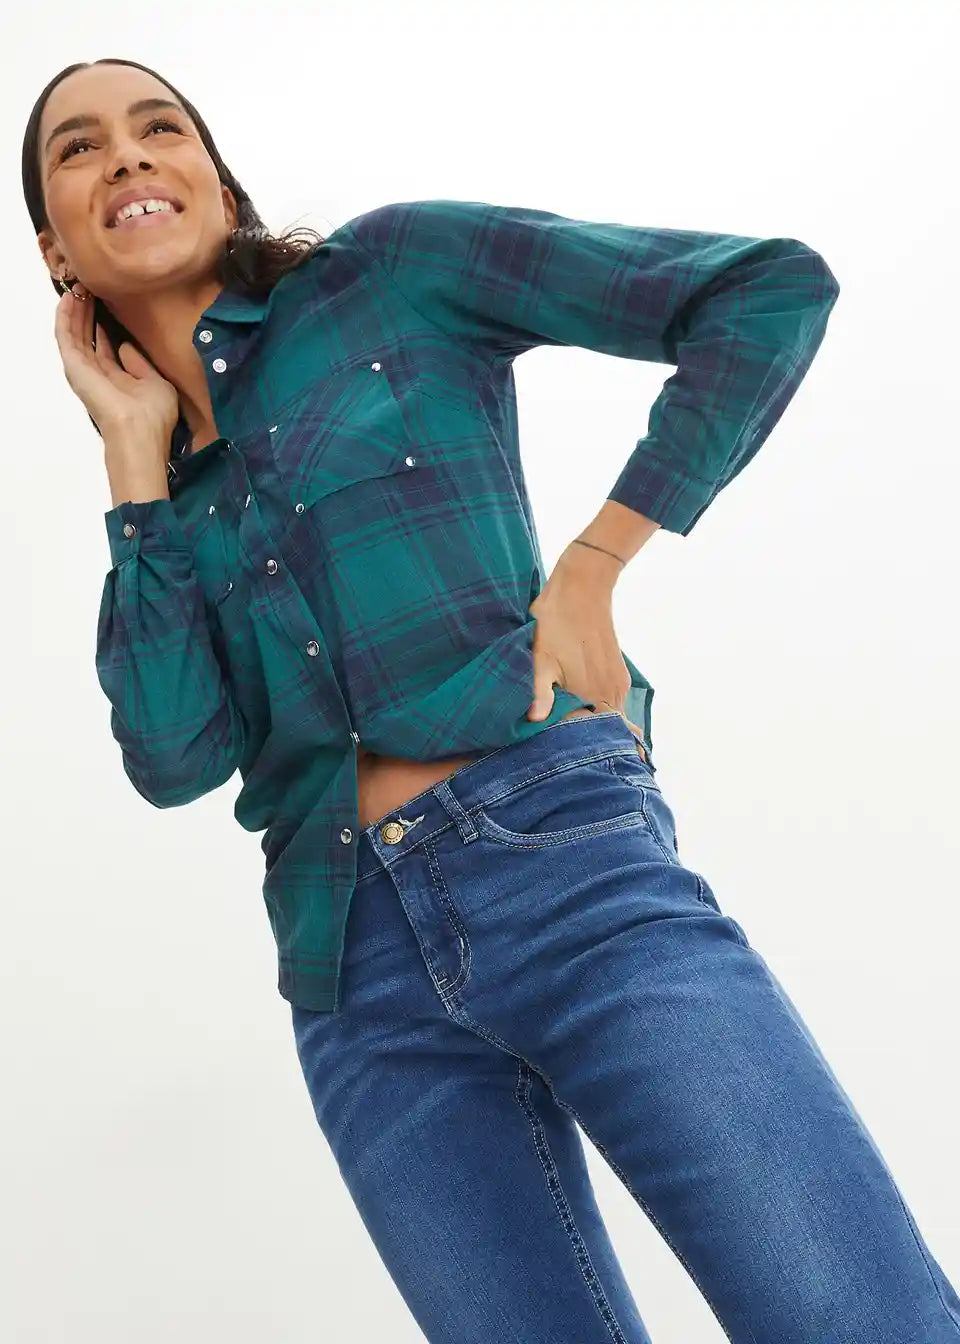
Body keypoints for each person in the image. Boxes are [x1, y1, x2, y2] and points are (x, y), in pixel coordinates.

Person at [25, 56, 960, 1344]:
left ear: (219, 186)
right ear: (54, 248)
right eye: (77, 149)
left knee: (853, 1317)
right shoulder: (165, 507)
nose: (127, 156)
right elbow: (174, 754)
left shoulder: (390, 272)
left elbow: (765, 290)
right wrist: (133, 462)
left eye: (159, 127)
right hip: (354, 981)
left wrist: (596, 564)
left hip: (562, 867)